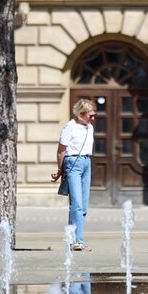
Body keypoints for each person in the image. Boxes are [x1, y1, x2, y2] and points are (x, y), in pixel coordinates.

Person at [51, 98, 95, 251]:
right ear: (81, 114)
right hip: (73, 163)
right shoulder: (69, 127)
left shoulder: (89, 128)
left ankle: (73, 238)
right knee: (76, 203)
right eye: (90, 115)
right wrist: (60, 170)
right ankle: (78, 240)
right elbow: (61, 151)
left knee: (83, 204)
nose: (93, 119)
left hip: (87, 162)